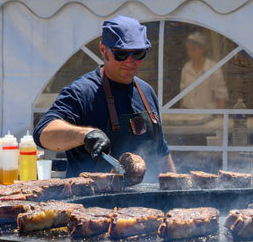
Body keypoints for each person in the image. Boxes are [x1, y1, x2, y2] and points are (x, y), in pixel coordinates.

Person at [34, 15, 175, 179]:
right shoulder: (82, 92)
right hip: (90, 201)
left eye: (138, 54)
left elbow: (162, 153)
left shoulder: (147, 92)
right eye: (121, 54)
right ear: (103, 50)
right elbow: (43, 133)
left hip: (143, 202)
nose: (130, 62)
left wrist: (176, 196)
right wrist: (84, 135)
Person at [179, 31, 229, 109]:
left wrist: (220, 119)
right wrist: (181, 114)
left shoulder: (213, 69)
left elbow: (221, 96)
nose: (189, 53)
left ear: (203, 49)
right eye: (188, 50)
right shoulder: (186, 68)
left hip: (208, 116)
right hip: (188, 115)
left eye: (193, 50)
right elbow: (183, 94)